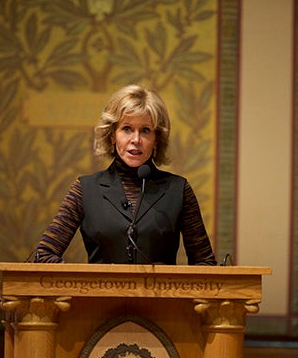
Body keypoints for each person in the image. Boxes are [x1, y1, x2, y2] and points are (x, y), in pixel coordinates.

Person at [31, 84, 216, 265]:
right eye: (127, 129)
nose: (135, 140)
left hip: (161, 296)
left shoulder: (178, 190)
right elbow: (43, 255)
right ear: (112, 135)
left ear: (156, 140)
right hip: (99, 295)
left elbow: (205, 263)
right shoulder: (85, 189)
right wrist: (81, 283)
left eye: (145, 130)